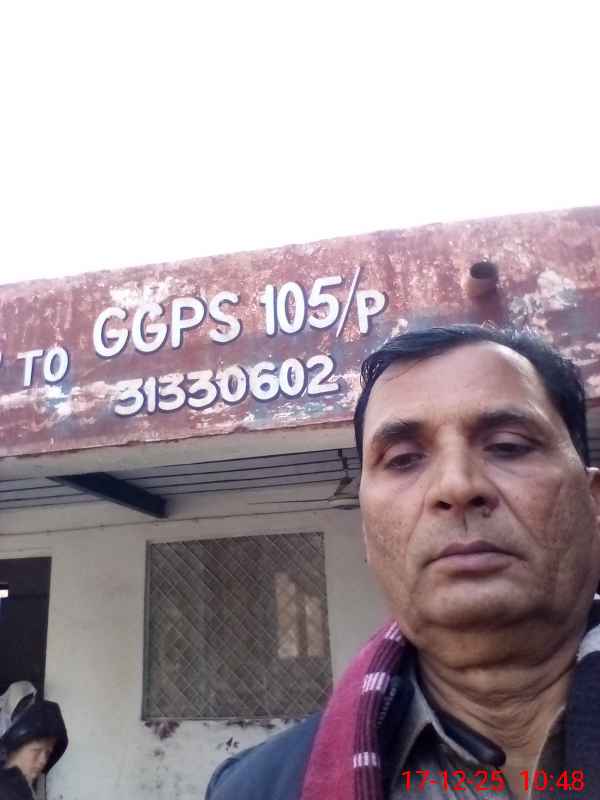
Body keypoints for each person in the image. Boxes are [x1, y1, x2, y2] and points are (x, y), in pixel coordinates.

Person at [206, 324, 600, 800]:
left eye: (508, 446)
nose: (456, 486)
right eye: (404, 459)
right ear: (368, 531)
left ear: (593, 503)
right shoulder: (258, 789)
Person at [0, 697, 68, 800]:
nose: (43, 760)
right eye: (36, 750)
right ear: (14, 750)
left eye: (48, 753)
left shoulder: (21, 789)